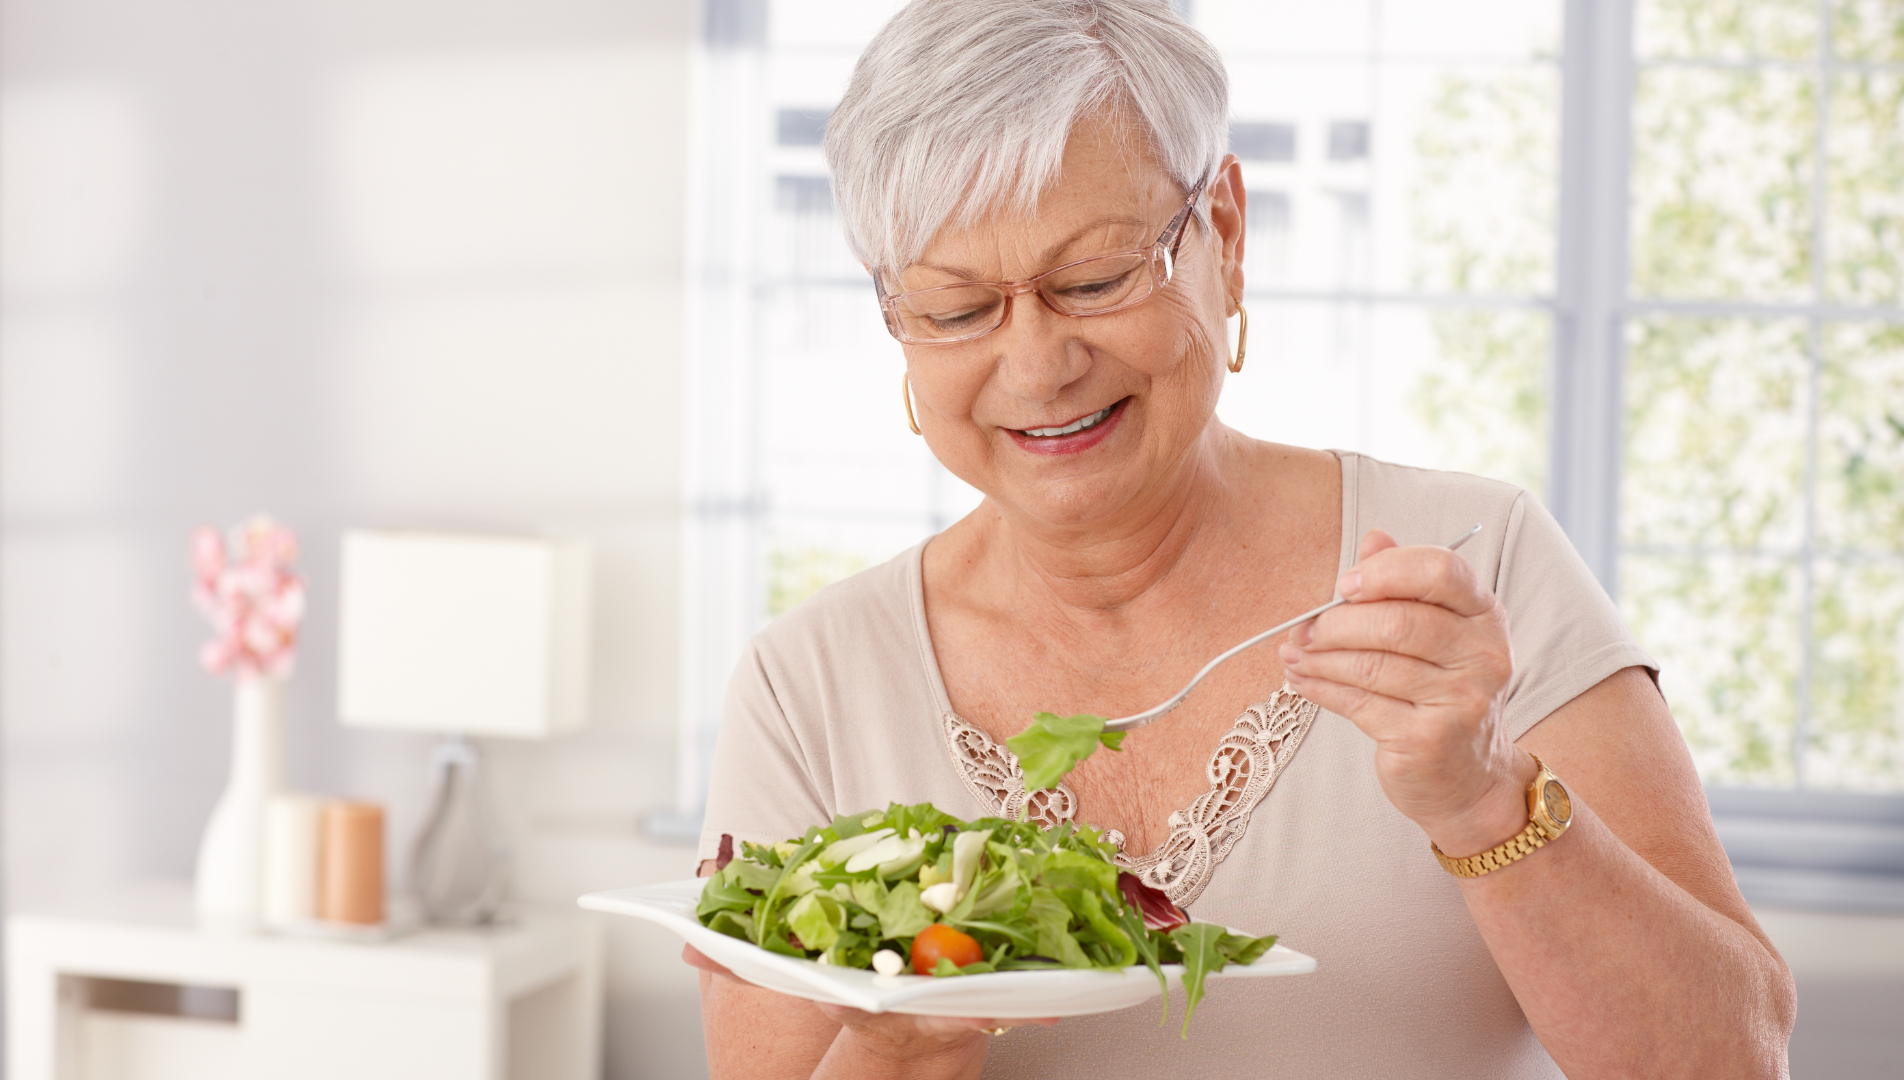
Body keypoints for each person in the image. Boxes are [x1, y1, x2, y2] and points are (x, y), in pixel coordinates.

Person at [687, 1, 1796, 1077]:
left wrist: (1482, 797)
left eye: (1094, 279)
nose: (1035, 369)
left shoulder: (1475, 563)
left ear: (1222, 229)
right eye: (956, 308)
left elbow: (1733, 1061)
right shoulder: (808, 685)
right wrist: (900, 1033)